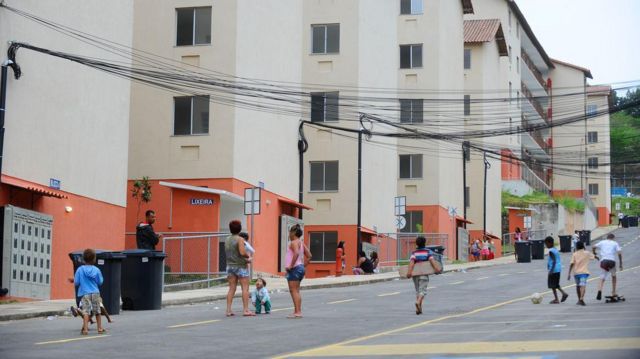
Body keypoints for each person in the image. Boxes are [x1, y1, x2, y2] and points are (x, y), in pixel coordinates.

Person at [70, 249, 105, 335]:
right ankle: (99, 328)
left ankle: (85, 329)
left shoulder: (80, 269)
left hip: (85, 293)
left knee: (86, 311)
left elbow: (77, 282)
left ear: (83, 259)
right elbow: (100, 282)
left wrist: (73, 280)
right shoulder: (96, 270)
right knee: (97, 311)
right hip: (95, 293)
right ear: (94, 259)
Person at [406, 236, 442, 315]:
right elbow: (432, 261)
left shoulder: (414, 253)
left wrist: (409, 272)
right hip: (424, 275)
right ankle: (418, 302)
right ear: (424, 243)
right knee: (422, 291)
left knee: (418, 291)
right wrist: (436, 269)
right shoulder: (428, 252)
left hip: (415, 275)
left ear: (416, 244)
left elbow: (411, 262)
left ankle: (419, 309)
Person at [225, 220, 254, 317]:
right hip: (241, 266)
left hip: (230, 266)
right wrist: (248, 258)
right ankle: (246, 310)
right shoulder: (240, 239)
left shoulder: (227, 239)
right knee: (245, 288)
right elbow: (242, 252)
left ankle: (228, 310)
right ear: (240, 229)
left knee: (231, 288)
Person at [285, 224, 311, 319]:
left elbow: (296, 253)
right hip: (299, 268)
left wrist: (291, 266)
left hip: (295, 268)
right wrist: (303, 266)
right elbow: (309, 255)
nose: (289, 234)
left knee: (294, 291)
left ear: (293, 233)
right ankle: (297, 311)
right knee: (296, 291)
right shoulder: (301, 242)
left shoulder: (293, 242)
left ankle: (298, 312)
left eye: (290, 232)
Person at [592, 233, 623, 300]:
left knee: (602, 277)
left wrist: (594, 253)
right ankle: (613, 292)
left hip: (604, 261)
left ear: (607, 237)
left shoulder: (602, 242)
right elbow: (619, 253)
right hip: (611, 261)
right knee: (614, 276)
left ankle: (599, 290)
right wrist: (620, 264)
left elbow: (593, 247)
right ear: (613, 238)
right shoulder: (615, 243)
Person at [567, 241, 594, 306]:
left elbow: (571, 263)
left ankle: (579, 299)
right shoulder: (587, 253)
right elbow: (593, 257)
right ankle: (582, 298)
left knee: (578, 286)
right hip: (584, 273)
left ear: (576, 247)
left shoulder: (575, 254)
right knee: (583, 285)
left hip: (576, 273)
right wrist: (596, 257)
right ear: (583, 246)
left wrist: (569, 273)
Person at [545, 236, 568, 304]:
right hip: (558, 269)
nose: (546, 245)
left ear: (549, 243)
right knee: (556, 284)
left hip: (554, 270)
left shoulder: (551, 251)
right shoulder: (555, 249)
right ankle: (563, 293)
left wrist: (551, 270)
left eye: (546, 244)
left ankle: (556, 299)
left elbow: (554, 261)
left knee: (552, 285)